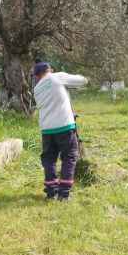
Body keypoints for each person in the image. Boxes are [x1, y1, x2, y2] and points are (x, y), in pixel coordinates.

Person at [33, 62, 88, 201]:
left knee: (49, 159)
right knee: (69, 156)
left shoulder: (37, 88)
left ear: (37, 76)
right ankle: (64, 193)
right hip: (64, 126)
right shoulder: (57, 77)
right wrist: (83, 79)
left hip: (46, 129)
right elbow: (81, 81)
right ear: (49, 70)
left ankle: (51, 192)